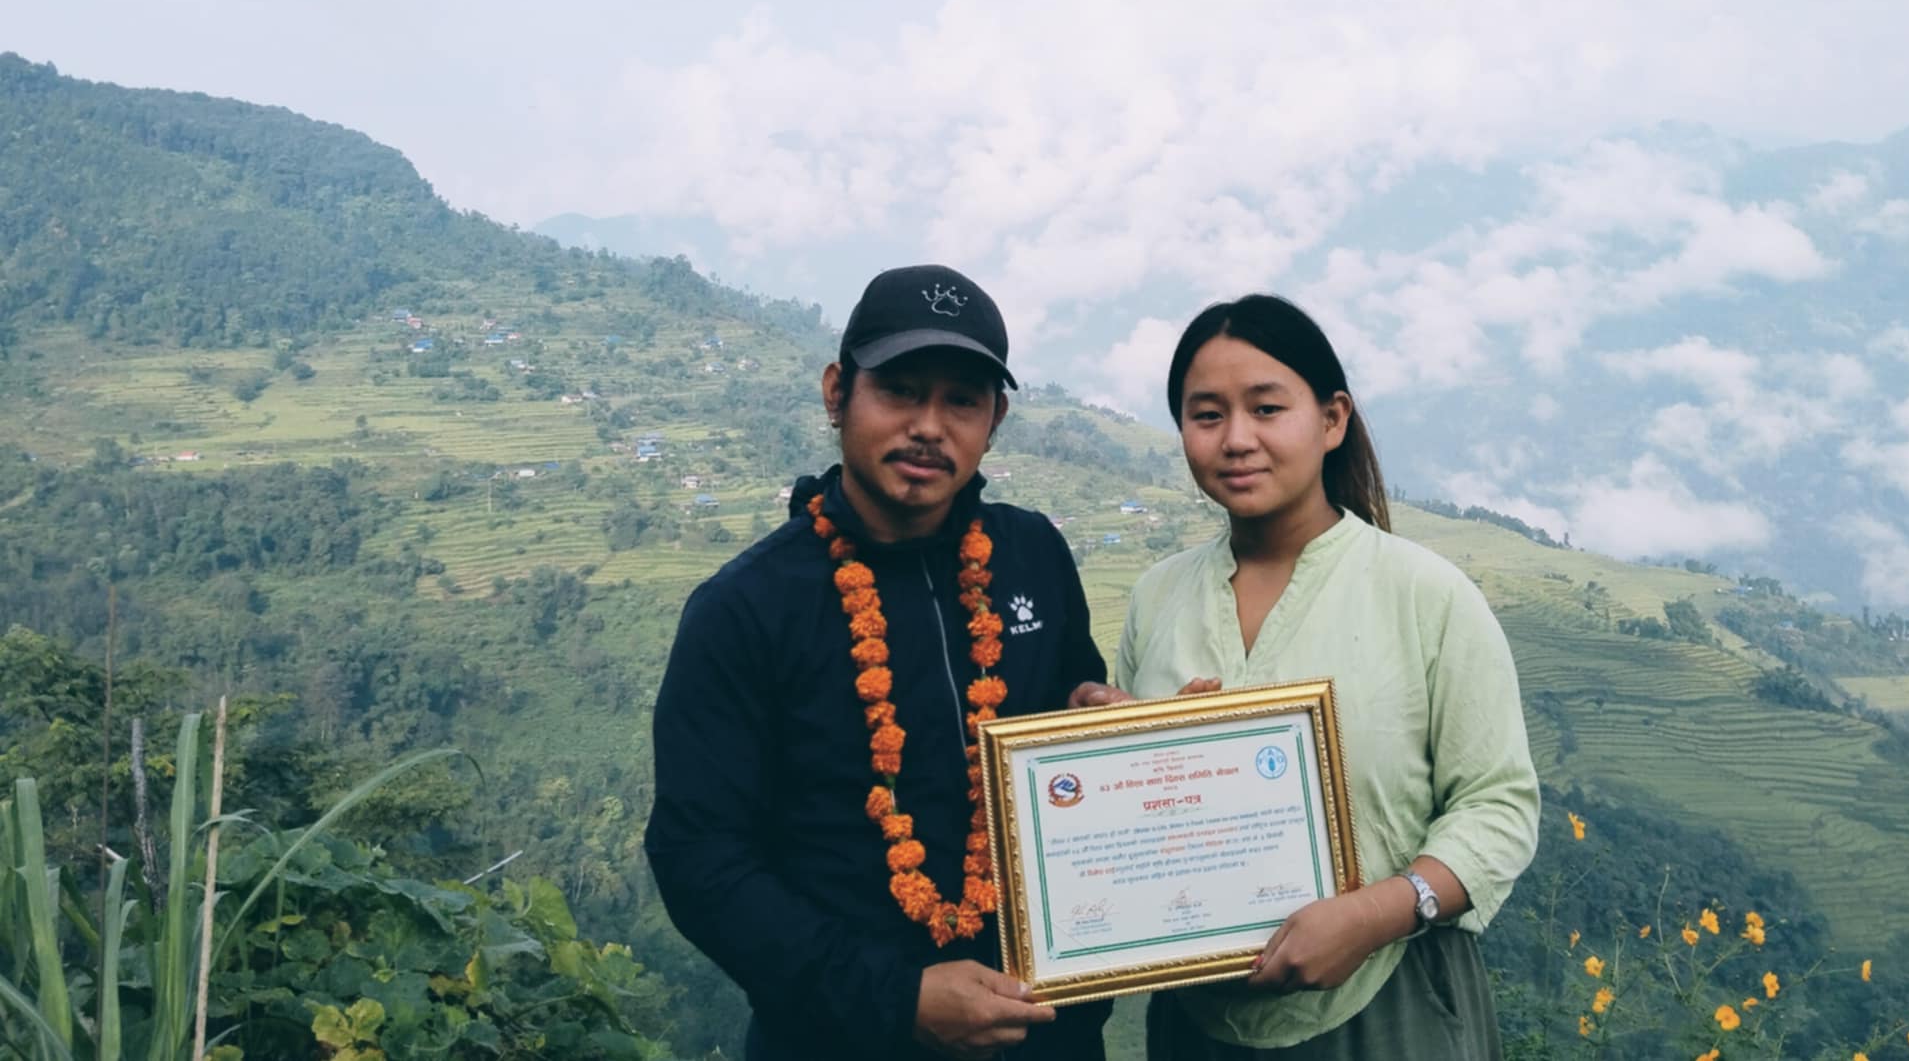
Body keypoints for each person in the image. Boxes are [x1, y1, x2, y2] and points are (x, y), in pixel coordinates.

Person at [646, 265, 1113, 1061]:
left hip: (1043, 1037)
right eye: (900, 389)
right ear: (838, 393)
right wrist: (896, 998)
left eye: (962, 400)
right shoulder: (746, 608)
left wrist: (1111, 730)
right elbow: (701, 858)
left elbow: (1075, 707)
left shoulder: (1032, 553)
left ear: (994, 420)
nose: (930, 425)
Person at [1079, 294, 1539, 1059]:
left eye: (1266, 408)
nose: (1236, 439)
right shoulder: (1159, 596)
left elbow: (1500, 805)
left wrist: (1377, 913)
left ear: (1332, 420)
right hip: (1198, 1022)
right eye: (1206, 415)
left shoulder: (1426, 595)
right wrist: (1116, 754)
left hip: (1389, 1007)